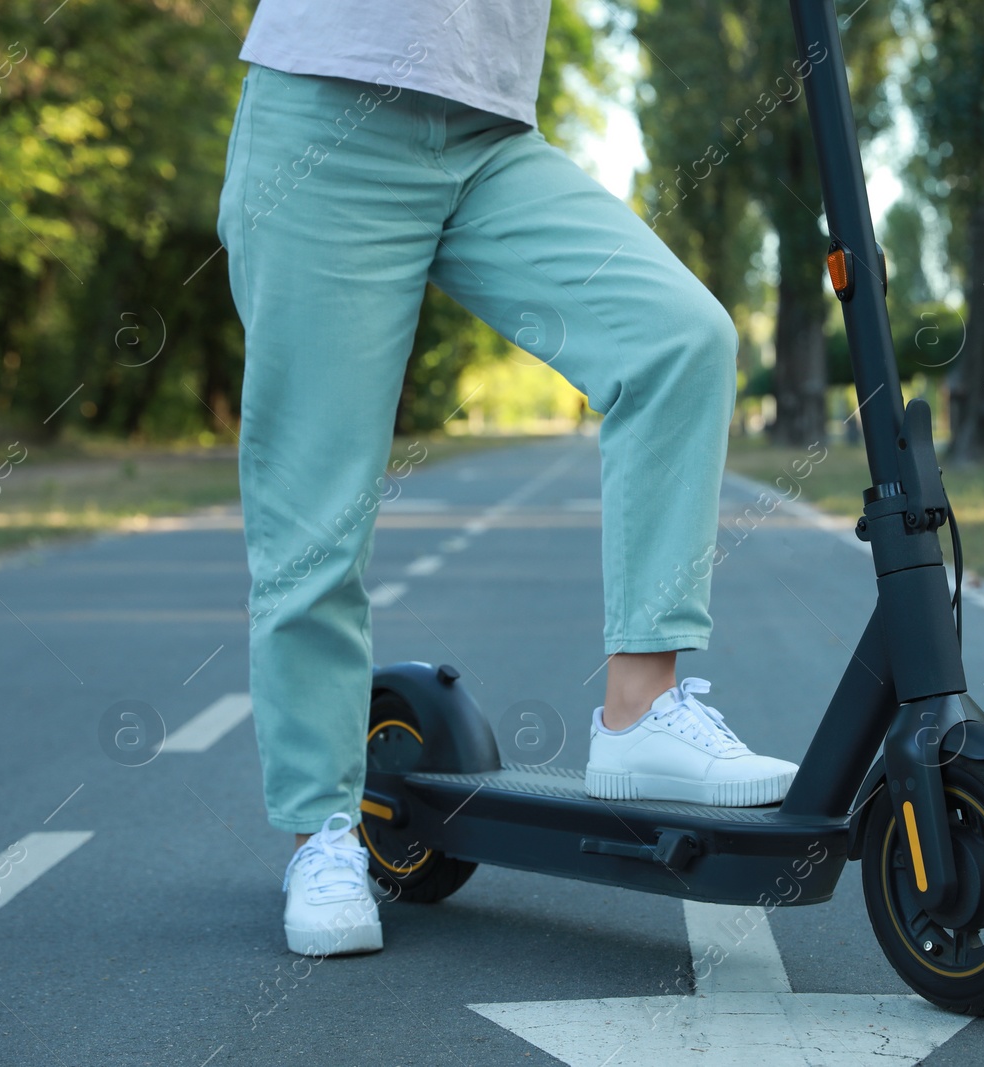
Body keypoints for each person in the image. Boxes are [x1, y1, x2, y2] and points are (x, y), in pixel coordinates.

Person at [217, 0, 800, 958]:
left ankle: (640, 710)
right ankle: (323, 835)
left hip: (490, 133)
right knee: (316, 510)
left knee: (678, 340)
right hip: (328, 112)